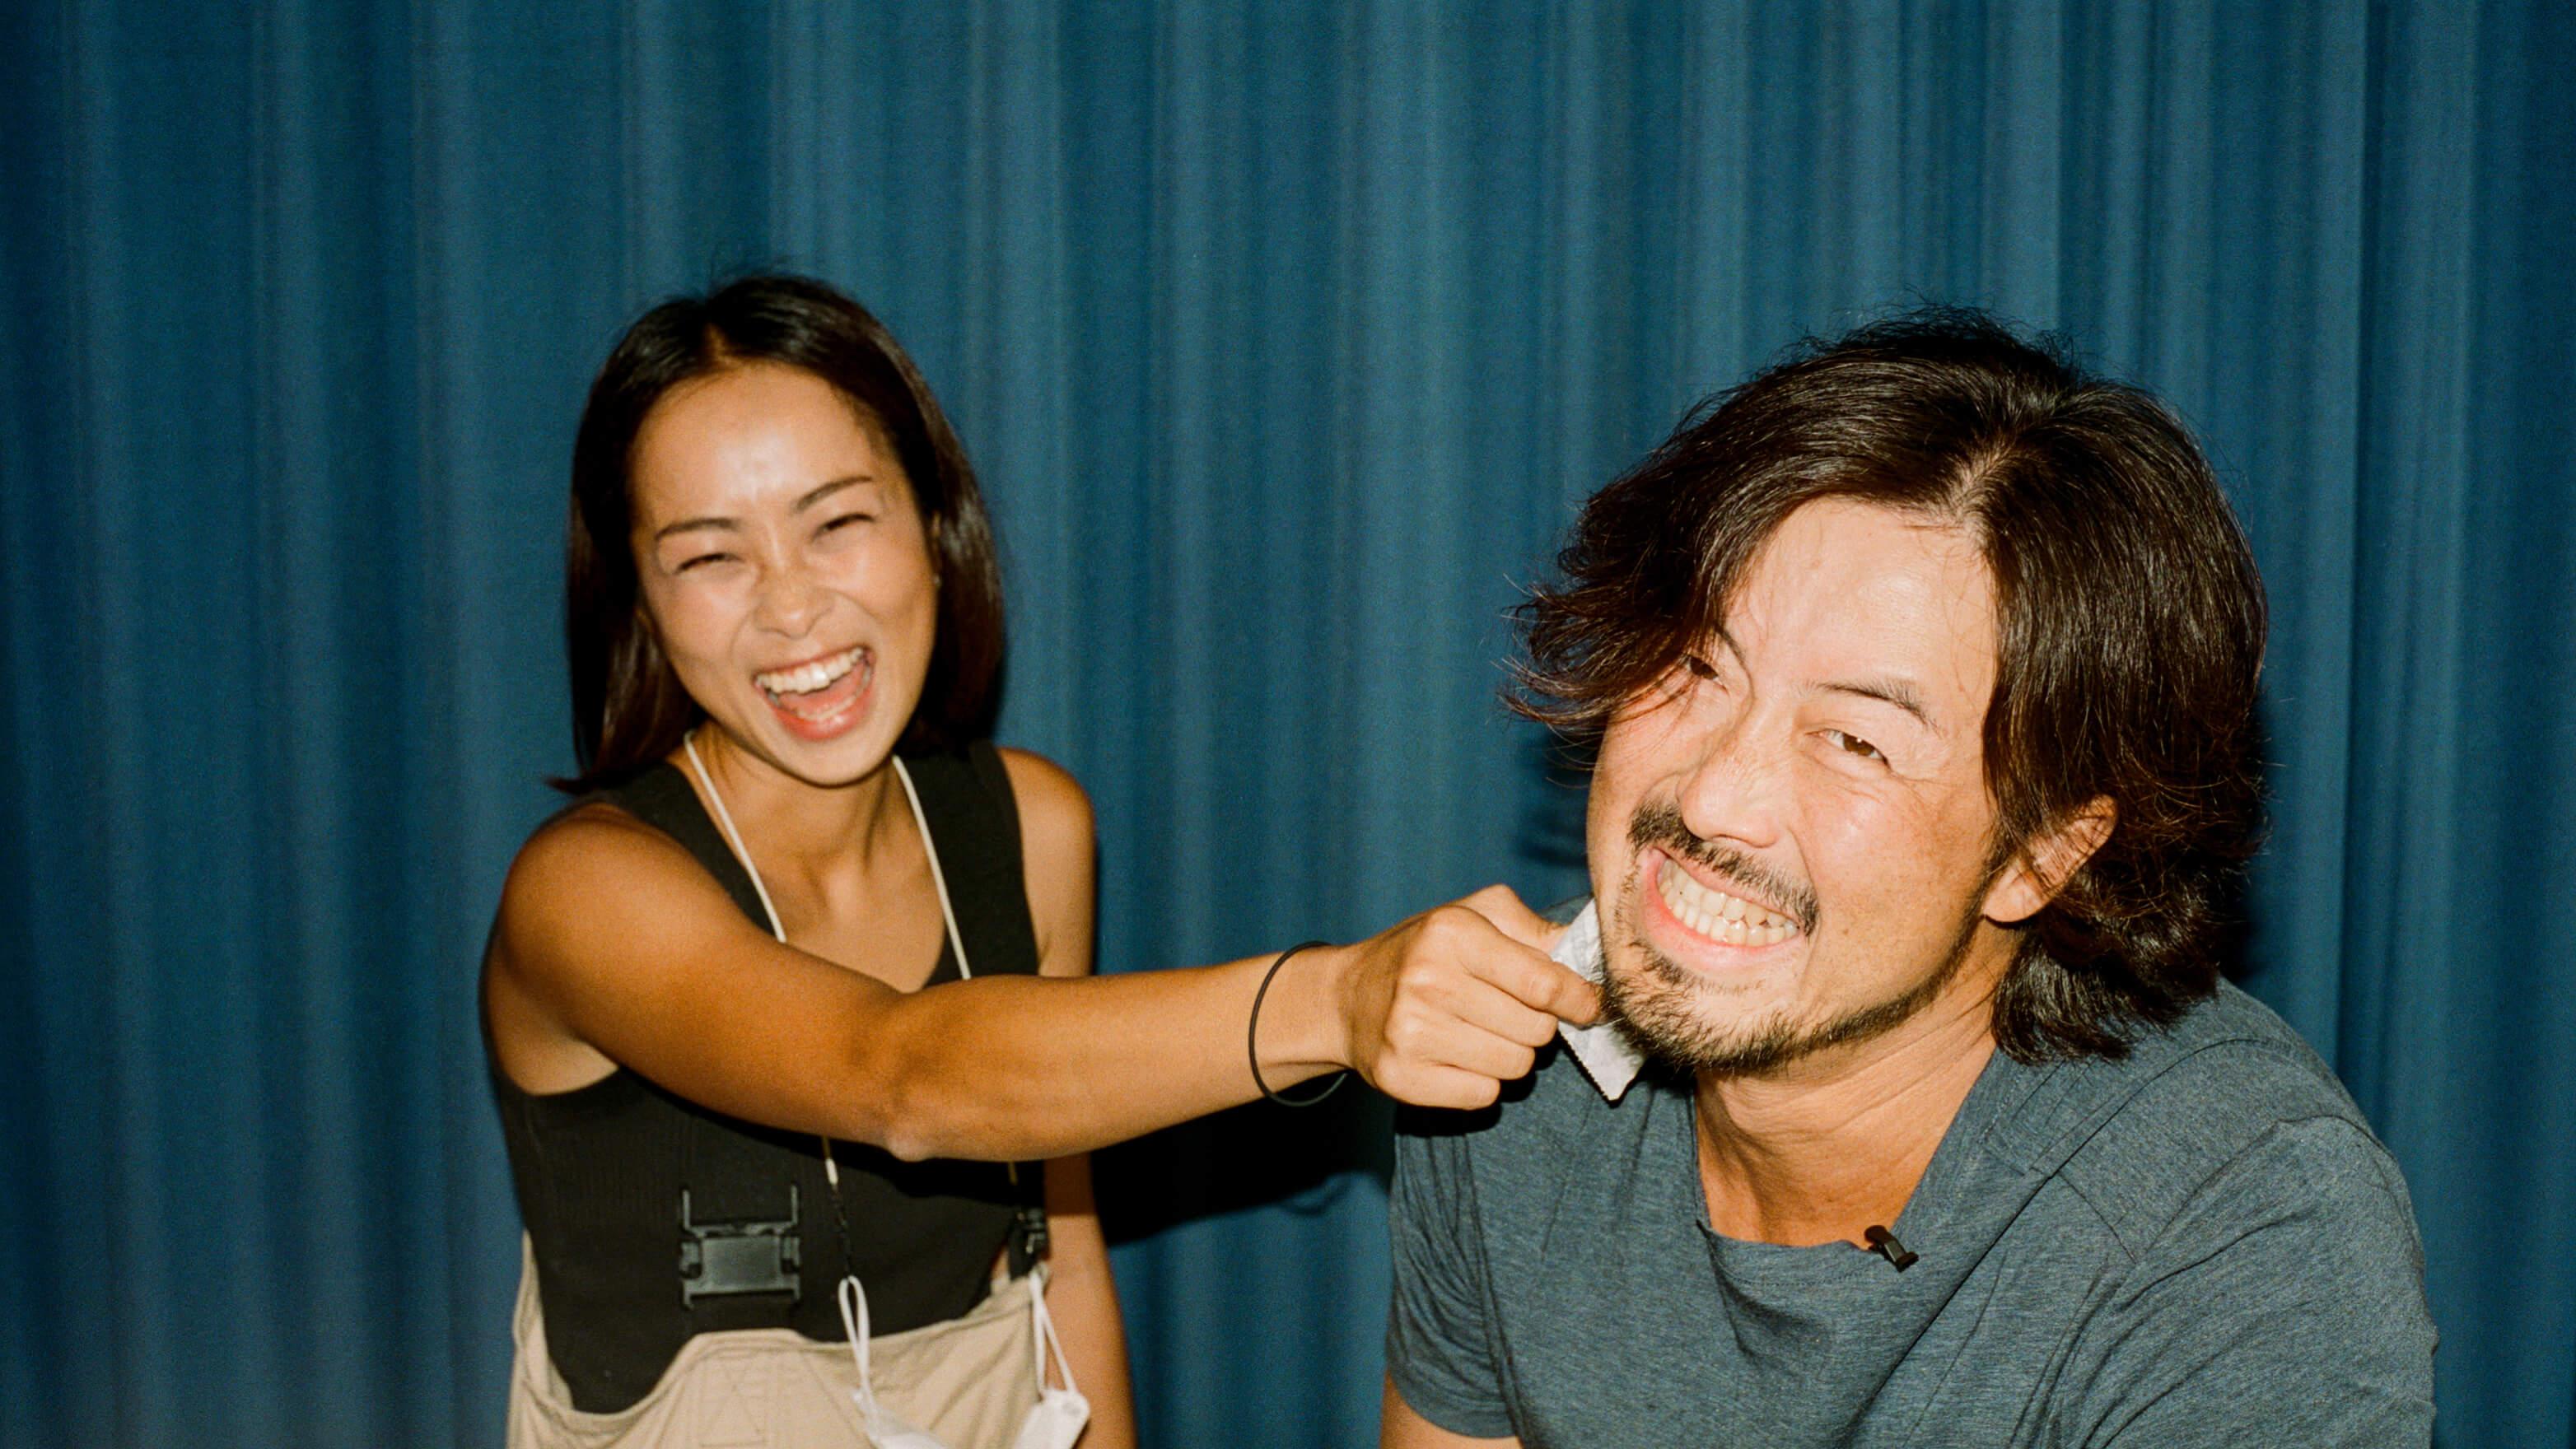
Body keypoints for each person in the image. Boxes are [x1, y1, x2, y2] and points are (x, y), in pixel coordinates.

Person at [481, 274, 1598, 1448]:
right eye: (712, 558)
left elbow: (1061, 1256)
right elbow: (901, 1080)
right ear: (641, 606)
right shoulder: (585, 891)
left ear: (932, 523)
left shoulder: (1033, 824)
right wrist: (1339, 999)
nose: (793, 609)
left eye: (838, 522)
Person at [1381, 311, 2437, 1447]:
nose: (1712, 799)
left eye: (1857, 742)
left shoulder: (2239, 1236)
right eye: (1696, 666)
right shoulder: (1508, 1062)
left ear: (2045, 854)